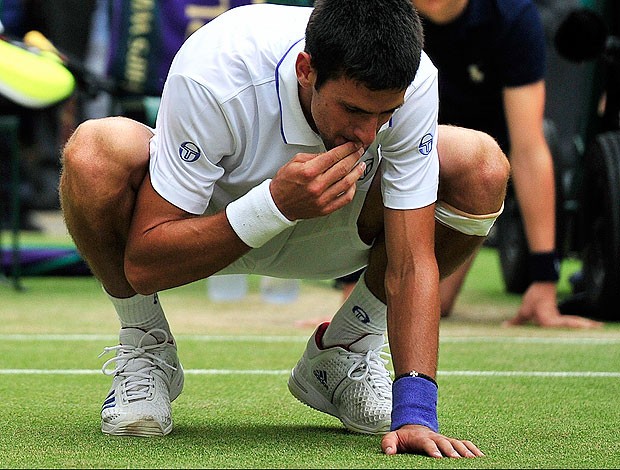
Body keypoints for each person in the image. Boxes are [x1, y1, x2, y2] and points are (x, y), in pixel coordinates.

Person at [59, 0, 509, 457]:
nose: (369, 133)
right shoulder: (215, 68)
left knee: (481, 165)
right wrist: (274, 205)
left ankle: (345, 350)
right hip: (203, 229)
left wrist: (416, 412)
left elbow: (413, 261)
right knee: (95, 151)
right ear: (306, 70)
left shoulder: (415, 82)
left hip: (340, 227)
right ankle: (146, 346)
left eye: (385, 114)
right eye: (353, 109)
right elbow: (144, 266)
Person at [334, 0, 603, 329]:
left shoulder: (511, 17)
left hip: (467, 174)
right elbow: (356, 124)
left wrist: (544, 281)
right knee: (395, 300)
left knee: (428, 300)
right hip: (392, 155)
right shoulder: (380, 11)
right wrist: (351, 288)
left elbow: (529, 149)